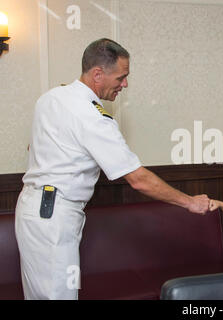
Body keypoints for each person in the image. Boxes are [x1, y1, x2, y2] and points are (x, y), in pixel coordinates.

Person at [15, 38, 209, 300]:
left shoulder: (51, 98)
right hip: (54, 216)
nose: (125, 84)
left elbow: (34, 149)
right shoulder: (92, 116)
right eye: (121, 77)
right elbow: (138, 179)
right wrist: (190, 202)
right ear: (97, 74)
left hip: (32, 209)